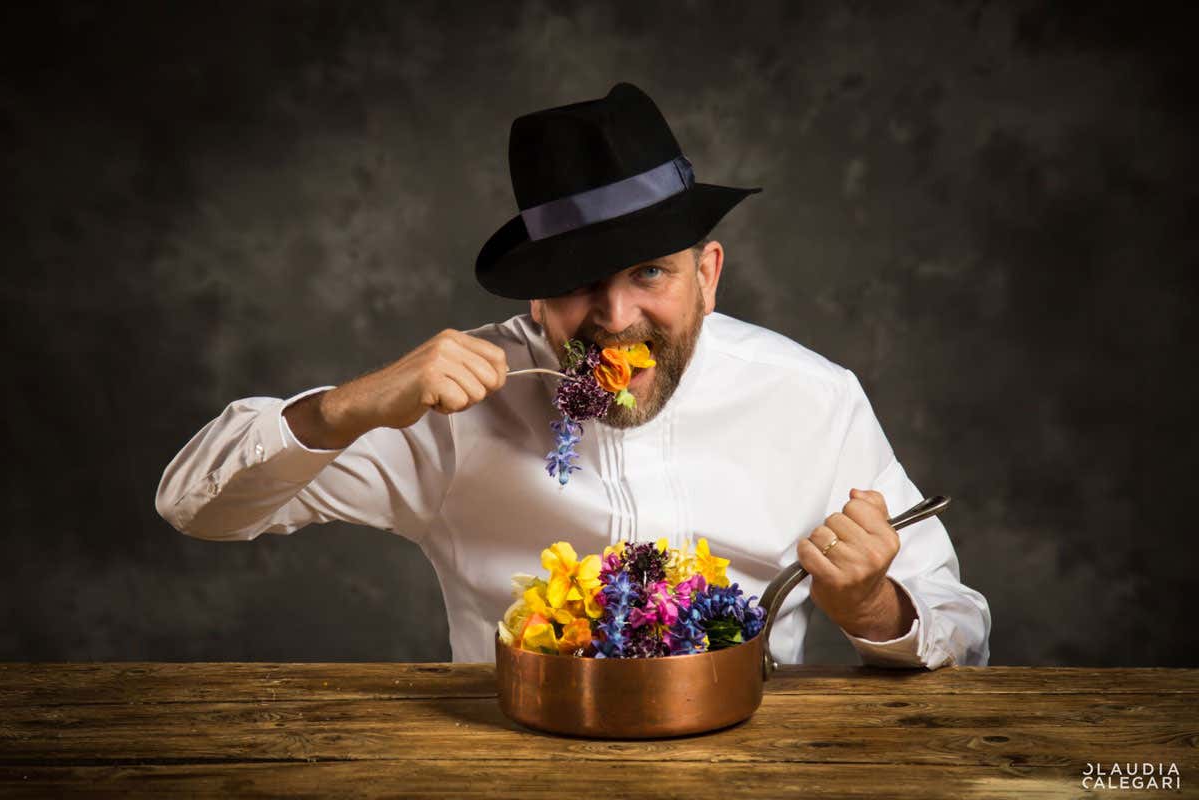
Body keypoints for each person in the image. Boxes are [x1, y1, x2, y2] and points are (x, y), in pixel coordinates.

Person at [156, 82, 991, 668]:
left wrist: (872, 609)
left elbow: (962, 631)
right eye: (578, 281)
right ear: (533, 296)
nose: (615, 318)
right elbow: (196, 508)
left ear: (708, 274)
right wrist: (345, 409)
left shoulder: (810, 398)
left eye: (649, 276)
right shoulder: (451, 405)